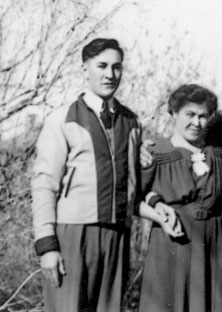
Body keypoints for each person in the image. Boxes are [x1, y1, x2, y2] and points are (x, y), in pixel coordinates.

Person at [31, 38, 141, 311]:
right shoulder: (63, 118)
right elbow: (44, 184)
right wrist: (47, 246)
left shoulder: (131, 122)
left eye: (116, 67)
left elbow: (135, 180)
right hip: (74, 235)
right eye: (101, 65)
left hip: (117, 235)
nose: (109, 74)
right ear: (85, 69)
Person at [138, 84, 222, 312]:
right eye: (189, 114)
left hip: (211, 244)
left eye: (203, 116)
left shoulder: (217, 154)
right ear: (173, 113)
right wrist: (157, 209)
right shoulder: (154, 151)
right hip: (171, 242)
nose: (196, 123)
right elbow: (133, 199)